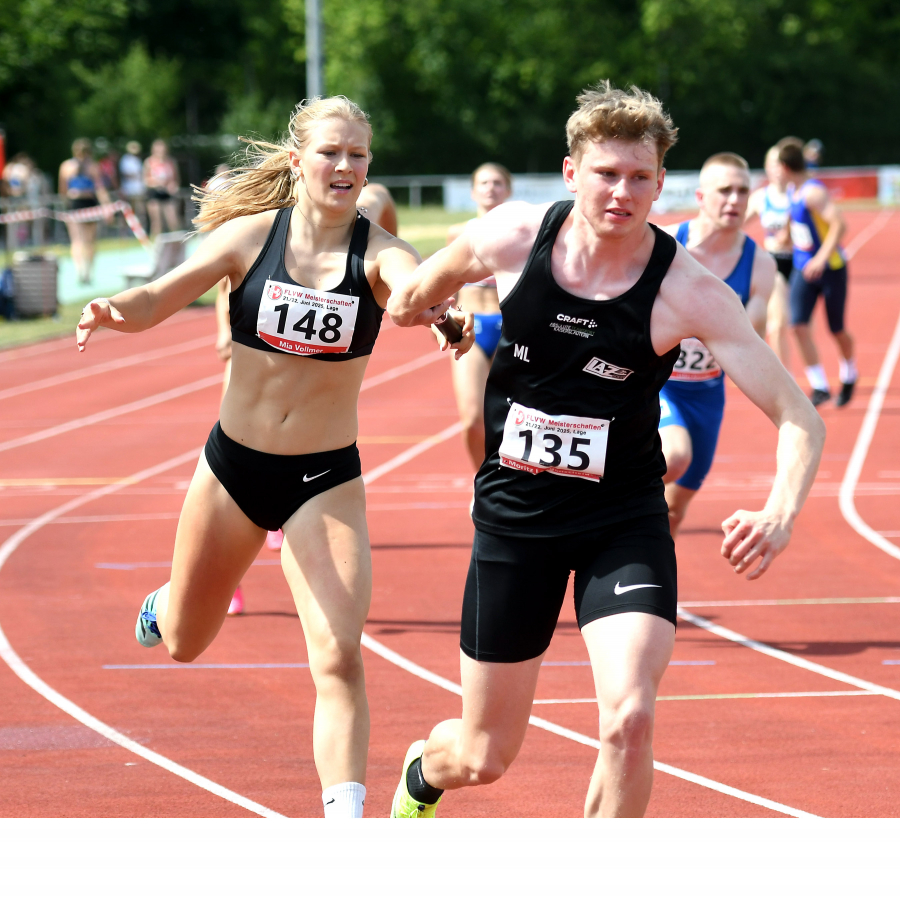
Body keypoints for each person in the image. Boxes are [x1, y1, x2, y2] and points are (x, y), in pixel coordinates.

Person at [386, 82, 824, 818]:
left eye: (640, 178)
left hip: (621, 521)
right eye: (606, 174)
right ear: (569, 173)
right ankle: (423, 776)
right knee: (483, 755)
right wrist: (432, 310)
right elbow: (405, 300)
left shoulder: (689, 292)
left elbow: (799, 416)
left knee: (631, 719)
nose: (622, 192)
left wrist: (781, 511)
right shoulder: (513, 237)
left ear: (660, 184)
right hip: (515, 518)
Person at [76, 96, 468, 818]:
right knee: (186, 644)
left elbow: (413, 291)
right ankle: (166, 601)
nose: (345, 165)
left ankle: (343, 831)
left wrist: (443, 314)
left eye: (357, 154)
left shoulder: (379, 252)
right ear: (298, 161)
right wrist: (113, 310)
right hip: (234, 471)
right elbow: (161, 297)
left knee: (340, 656)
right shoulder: (251, 236)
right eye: (330, 151)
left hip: (323, 481)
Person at [659, 153, 777, 537]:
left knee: (674, 512)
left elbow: (749, 340)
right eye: (724, 190)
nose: (735, 200)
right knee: (674, 455)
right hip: (654, 382)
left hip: (707, 395)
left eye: (743, 191)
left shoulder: (760, 264)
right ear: (700, 196)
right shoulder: (663, 244)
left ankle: (654, 591)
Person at [445, 164, 513, 471]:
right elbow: (447, 289)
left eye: (498, 183)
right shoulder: (459, 233)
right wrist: (455, 318)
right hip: (471, 328)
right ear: (473, 192)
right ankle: (481, 480)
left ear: (508, 191)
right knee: (473, 420)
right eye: (483, 183)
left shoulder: (521, 234)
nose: (490, 188)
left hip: (511, 329)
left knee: (513, 418)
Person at [778, 137, 856, 407]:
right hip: (803, 267)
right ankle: (819, 385)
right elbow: (794, 217)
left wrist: (821, 258)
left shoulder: (813, 192)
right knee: (797, 325)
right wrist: (786, 235)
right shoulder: (792, 190)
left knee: (837, 329)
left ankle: (849, 374)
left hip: (830, 268)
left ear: (785, 167)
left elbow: (839, 225)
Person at [745, 145, 793, 365]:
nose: (778, 169)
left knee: (802, 326)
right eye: (773, 164)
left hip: (801, 263)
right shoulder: (760, 198)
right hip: (776, 263)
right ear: (767, 167)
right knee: (778, 323)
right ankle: (785, 379)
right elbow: (733, 226)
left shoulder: (800, 194)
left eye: (781, 163)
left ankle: (817, 378)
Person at [58, 139, 111, 284]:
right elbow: (100, 189)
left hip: (80, 204)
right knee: (84, 240)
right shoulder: (89, 166)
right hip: (83, 203)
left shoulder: (69, 166)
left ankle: (83, 270)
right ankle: (84, 271)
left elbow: (63, 191)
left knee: (81, 240)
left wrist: (106, 206)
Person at [143, 139, 181, 237]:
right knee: (157, 223)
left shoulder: (171, 162)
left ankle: (176, 247)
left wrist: (173, 186)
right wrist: (156, 183)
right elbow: (145, 180)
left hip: (167, 193)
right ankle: (155, 247)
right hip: (154, 193)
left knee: (173, 221)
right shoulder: (149, 162)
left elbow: (176, 179)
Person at [119, 141, 146, 226]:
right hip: (129, 189)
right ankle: (126, 230)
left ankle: (140, 227)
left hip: (138, 188)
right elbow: (126, 174)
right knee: (129, 210)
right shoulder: (125, 159)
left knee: (140, 210)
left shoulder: (137, 160)